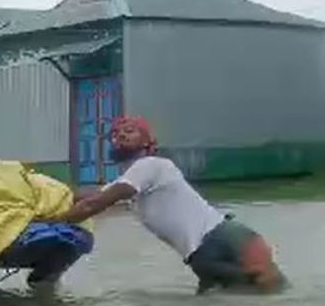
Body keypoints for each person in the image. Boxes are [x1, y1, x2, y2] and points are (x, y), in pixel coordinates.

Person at [54, 116, 284, 294]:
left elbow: (91, 205)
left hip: (224, 241)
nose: (120, 136)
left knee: (268, 299)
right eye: (115, 134)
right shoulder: (131, 180)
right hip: (203, 255)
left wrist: (49, 222)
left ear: (148, 142)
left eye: (129, 131)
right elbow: (84, 198)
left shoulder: (151, 165)